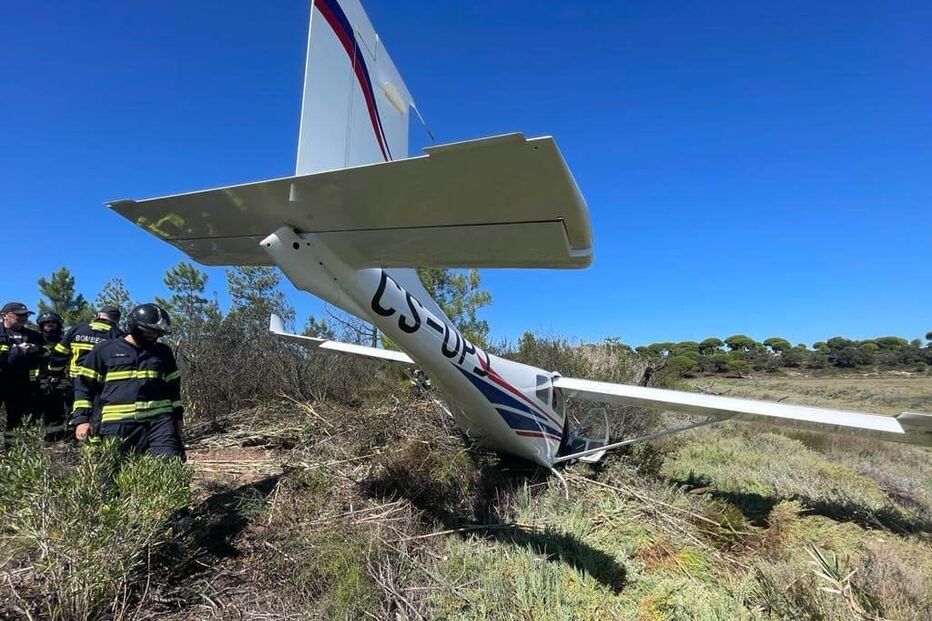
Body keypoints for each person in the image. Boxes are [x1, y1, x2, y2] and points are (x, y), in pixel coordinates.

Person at [72, 303, 184, 458]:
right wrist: (82, 420)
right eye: (149, 332)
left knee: (169, 464)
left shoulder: (163, 352)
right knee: (113, 475)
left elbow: (173, 388)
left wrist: (178, 418)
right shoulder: (104, 351)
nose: (154, 336)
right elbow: (83, 387)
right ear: (134, 326)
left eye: (157, 333)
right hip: (116, 425)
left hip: (160, 423)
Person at [0, 302, 45, 441]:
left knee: (17, 422)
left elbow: (47, 352)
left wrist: (36, 350)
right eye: (18, 315)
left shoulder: (33, 336)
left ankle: (12, 455)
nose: (23, 318)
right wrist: (18, 350)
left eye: (25, 315)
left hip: (22, 385)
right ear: (4, 316)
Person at [50, 305, 123, 384]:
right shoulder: (118, 335)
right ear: (117, 320)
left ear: (98, 315)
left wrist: (55, 373)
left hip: (75, 380)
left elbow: (59, 353)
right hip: (101, 383)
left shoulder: (77, 329)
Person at [36, 312, 70, 438]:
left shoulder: (64, 340)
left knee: (57, 411)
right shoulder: (35, 338)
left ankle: (55, 438)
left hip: (60, 380)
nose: (50, 325)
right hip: (38, 380)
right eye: (46, 323)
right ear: (41, 325)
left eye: (53, 323)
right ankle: (34, 439)